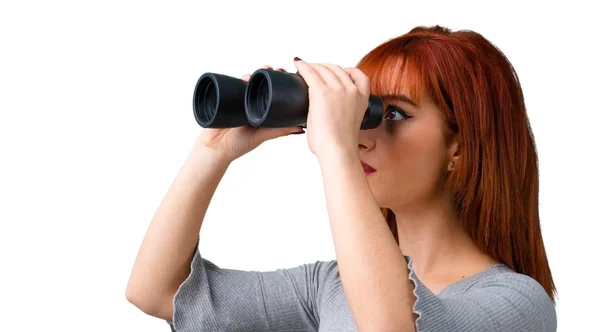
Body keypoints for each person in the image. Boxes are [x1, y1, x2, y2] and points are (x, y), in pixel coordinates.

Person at [126, 25, 557, 331]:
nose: (361, 137)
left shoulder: (520, 303)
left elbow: (392, 326)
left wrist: (335, 149)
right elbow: (156, 291)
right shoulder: (332, 286)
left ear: (458, 148)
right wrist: (212, 152)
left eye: (393, 114)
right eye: (364, 113)